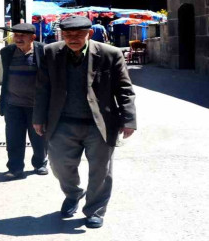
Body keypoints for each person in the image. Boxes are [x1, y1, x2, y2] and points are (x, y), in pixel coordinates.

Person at [33, 16, 136, 228]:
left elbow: (124, 90)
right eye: (68, 35)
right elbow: (42, 88)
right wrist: (38, 118)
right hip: (62, 123)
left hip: (100, 124)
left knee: (101, 170)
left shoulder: (110, 54)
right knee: (60, 165)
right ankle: (73, 194)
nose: (73, 39)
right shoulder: (50, 52)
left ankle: (95, 209)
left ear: (89, 34)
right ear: (62, 35)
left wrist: (129, 119)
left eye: (79, 34)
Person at [0, 23, 48, 180]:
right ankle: (15, 168)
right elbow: (4, 78)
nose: (18, 38)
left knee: (39, 138)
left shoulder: (44, 51)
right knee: (13, 138)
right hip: (13, 105)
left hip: (36, 106)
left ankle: (40, 163)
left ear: (33, 37)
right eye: (16, 35)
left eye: (22, 36)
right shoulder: (7, 52)